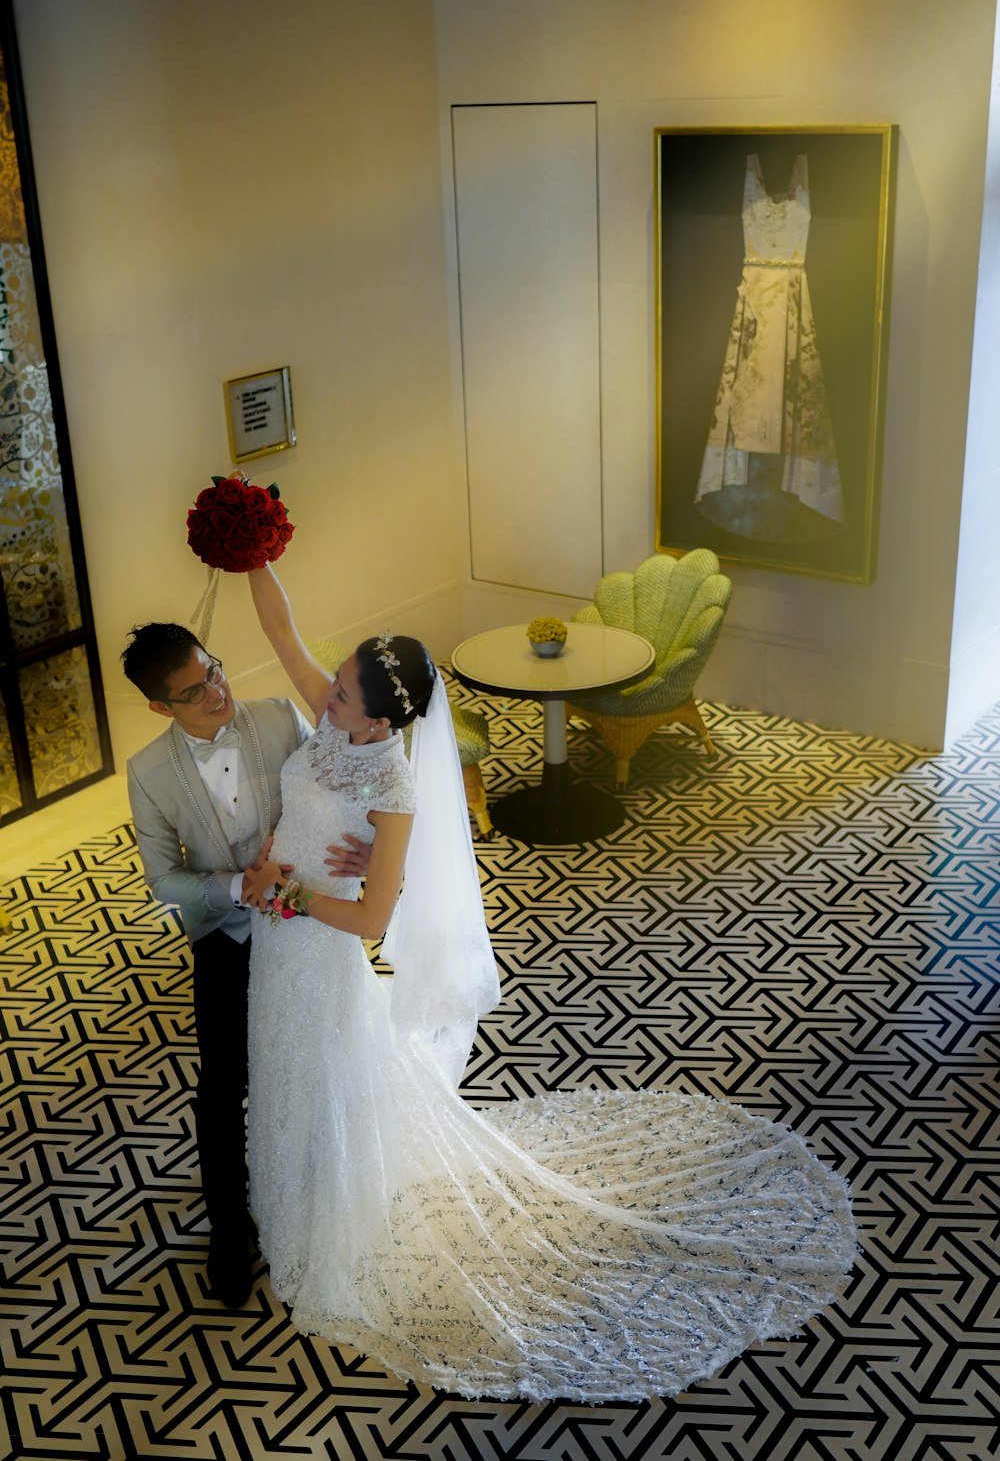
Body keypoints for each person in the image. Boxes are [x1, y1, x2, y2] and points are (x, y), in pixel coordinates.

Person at [240, 565, 857, 1403]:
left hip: (314, 939)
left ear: (382, 717)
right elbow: (283, 633)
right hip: (279, 943)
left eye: (344, 693)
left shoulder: (389, 783)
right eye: (338, 682)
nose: (328, 693)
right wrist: (254, 552)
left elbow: (376, 921)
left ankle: (324, 1205)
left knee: (316, 1067)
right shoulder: (331, 723)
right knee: (283, 1069)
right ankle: (293, 1184)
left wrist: (295, 893)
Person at [121, 622, 369, 1307]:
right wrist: (237, 887)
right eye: (193, 691)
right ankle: (230, 1226)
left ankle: (322, 1189)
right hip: (224, 933)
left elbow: (348, 789)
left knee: (315, 1053)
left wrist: (373, 853)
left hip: (305, 920)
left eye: (215, 670)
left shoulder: (278, 718)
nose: (216, 691)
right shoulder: (146, 772)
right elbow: (161, 880)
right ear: (160, 707)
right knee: (221, 1083)